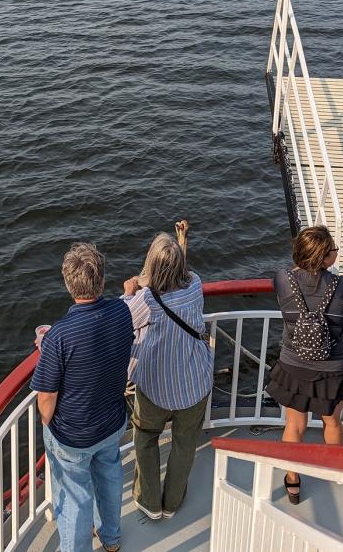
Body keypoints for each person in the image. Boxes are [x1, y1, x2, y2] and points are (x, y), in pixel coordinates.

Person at [31, 242, 133, 552]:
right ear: (101, 280)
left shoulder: (59, 336)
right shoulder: (121, 310)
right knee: (110, 476)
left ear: (68, 284)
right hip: (113, 420)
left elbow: (46, 397)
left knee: (75, 496)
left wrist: (48, 424)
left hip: (74, 433)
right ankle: (111, 538)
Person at [120, 220, 214, 520]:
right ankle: (172, 502)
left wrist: (129, 292)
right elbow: (180, 274)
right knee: (184, 444)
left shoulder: (145, 301)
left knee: (146, 437)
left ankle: (150, 501)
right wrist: (181, 242)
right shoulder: (196, 285)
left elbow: (121, 322)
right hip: (194, 386)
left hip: (156, 389)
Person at [266, 225, 343, 503]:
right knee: (332, 422)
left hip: (294, 365)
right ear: (325, 258)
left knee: (294, 426)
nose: (336, 253)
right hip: (331, 369)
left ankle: (292, 481)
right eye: (333, 250)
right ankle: (337, 470)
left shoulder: (283, 279)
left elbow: (290, 272)